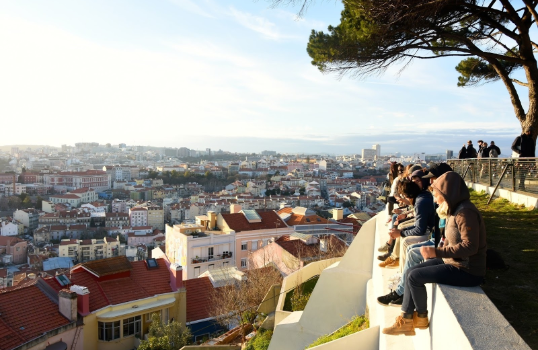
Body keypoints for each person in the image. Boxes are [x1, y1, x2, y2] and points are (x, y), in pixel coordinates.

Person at [382, 172, 487, 336]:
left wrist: (436, 251)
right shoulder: (454, 210)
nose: (435, 199)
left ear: (447, 194)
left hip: (467, 269)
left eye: (437, 195)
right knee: (411, 271)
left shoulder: (465, 213)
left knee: (415, 277)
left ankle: (420, 318)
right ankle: (407, 319)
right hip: (454, 262)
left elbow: (470, 246)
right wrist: (440, 248)